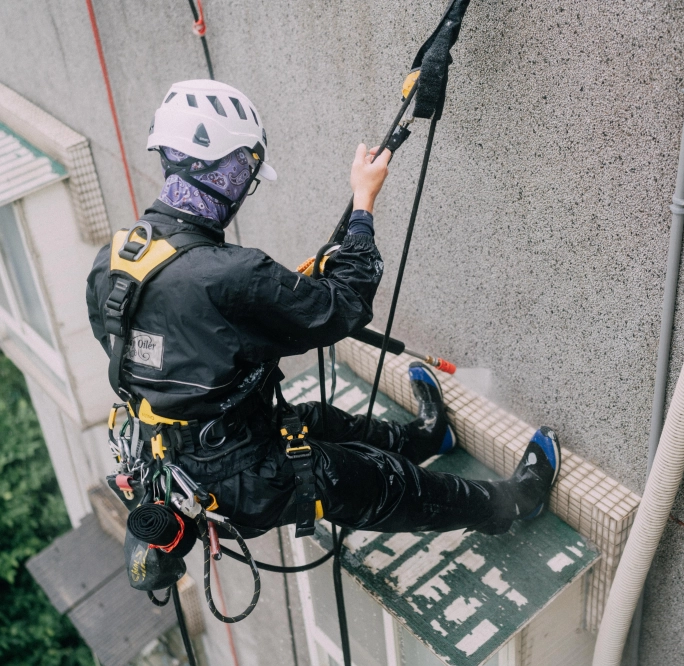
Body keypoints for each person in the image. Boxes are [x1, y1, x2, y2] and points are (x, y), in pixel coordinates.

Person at [86, 80, 559, 538]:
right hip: (238, 480)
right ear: (225, 168)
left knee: (322, 421)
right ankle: (513, 503)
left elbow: (165, 340)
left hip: (179, 454)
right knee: (376, 480)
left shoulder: (113, 262)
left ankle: (429, 439)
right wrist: (363, 204)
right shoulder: (228, 274)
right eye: (246, 173)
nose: (245, 186)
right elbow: (345, 307)